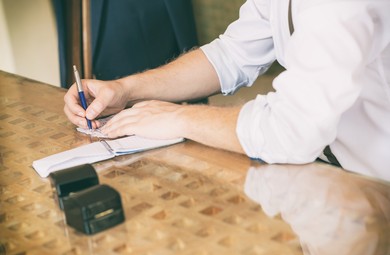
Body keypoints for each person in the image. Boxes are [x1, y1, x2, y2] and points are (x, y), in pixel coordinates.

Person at [64, 0, 390, 182]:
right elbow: (232, 54)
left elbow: (291, 130)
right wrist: (125, 89)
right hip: (328, 176)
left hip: (376, 188)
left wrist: (179, 117)